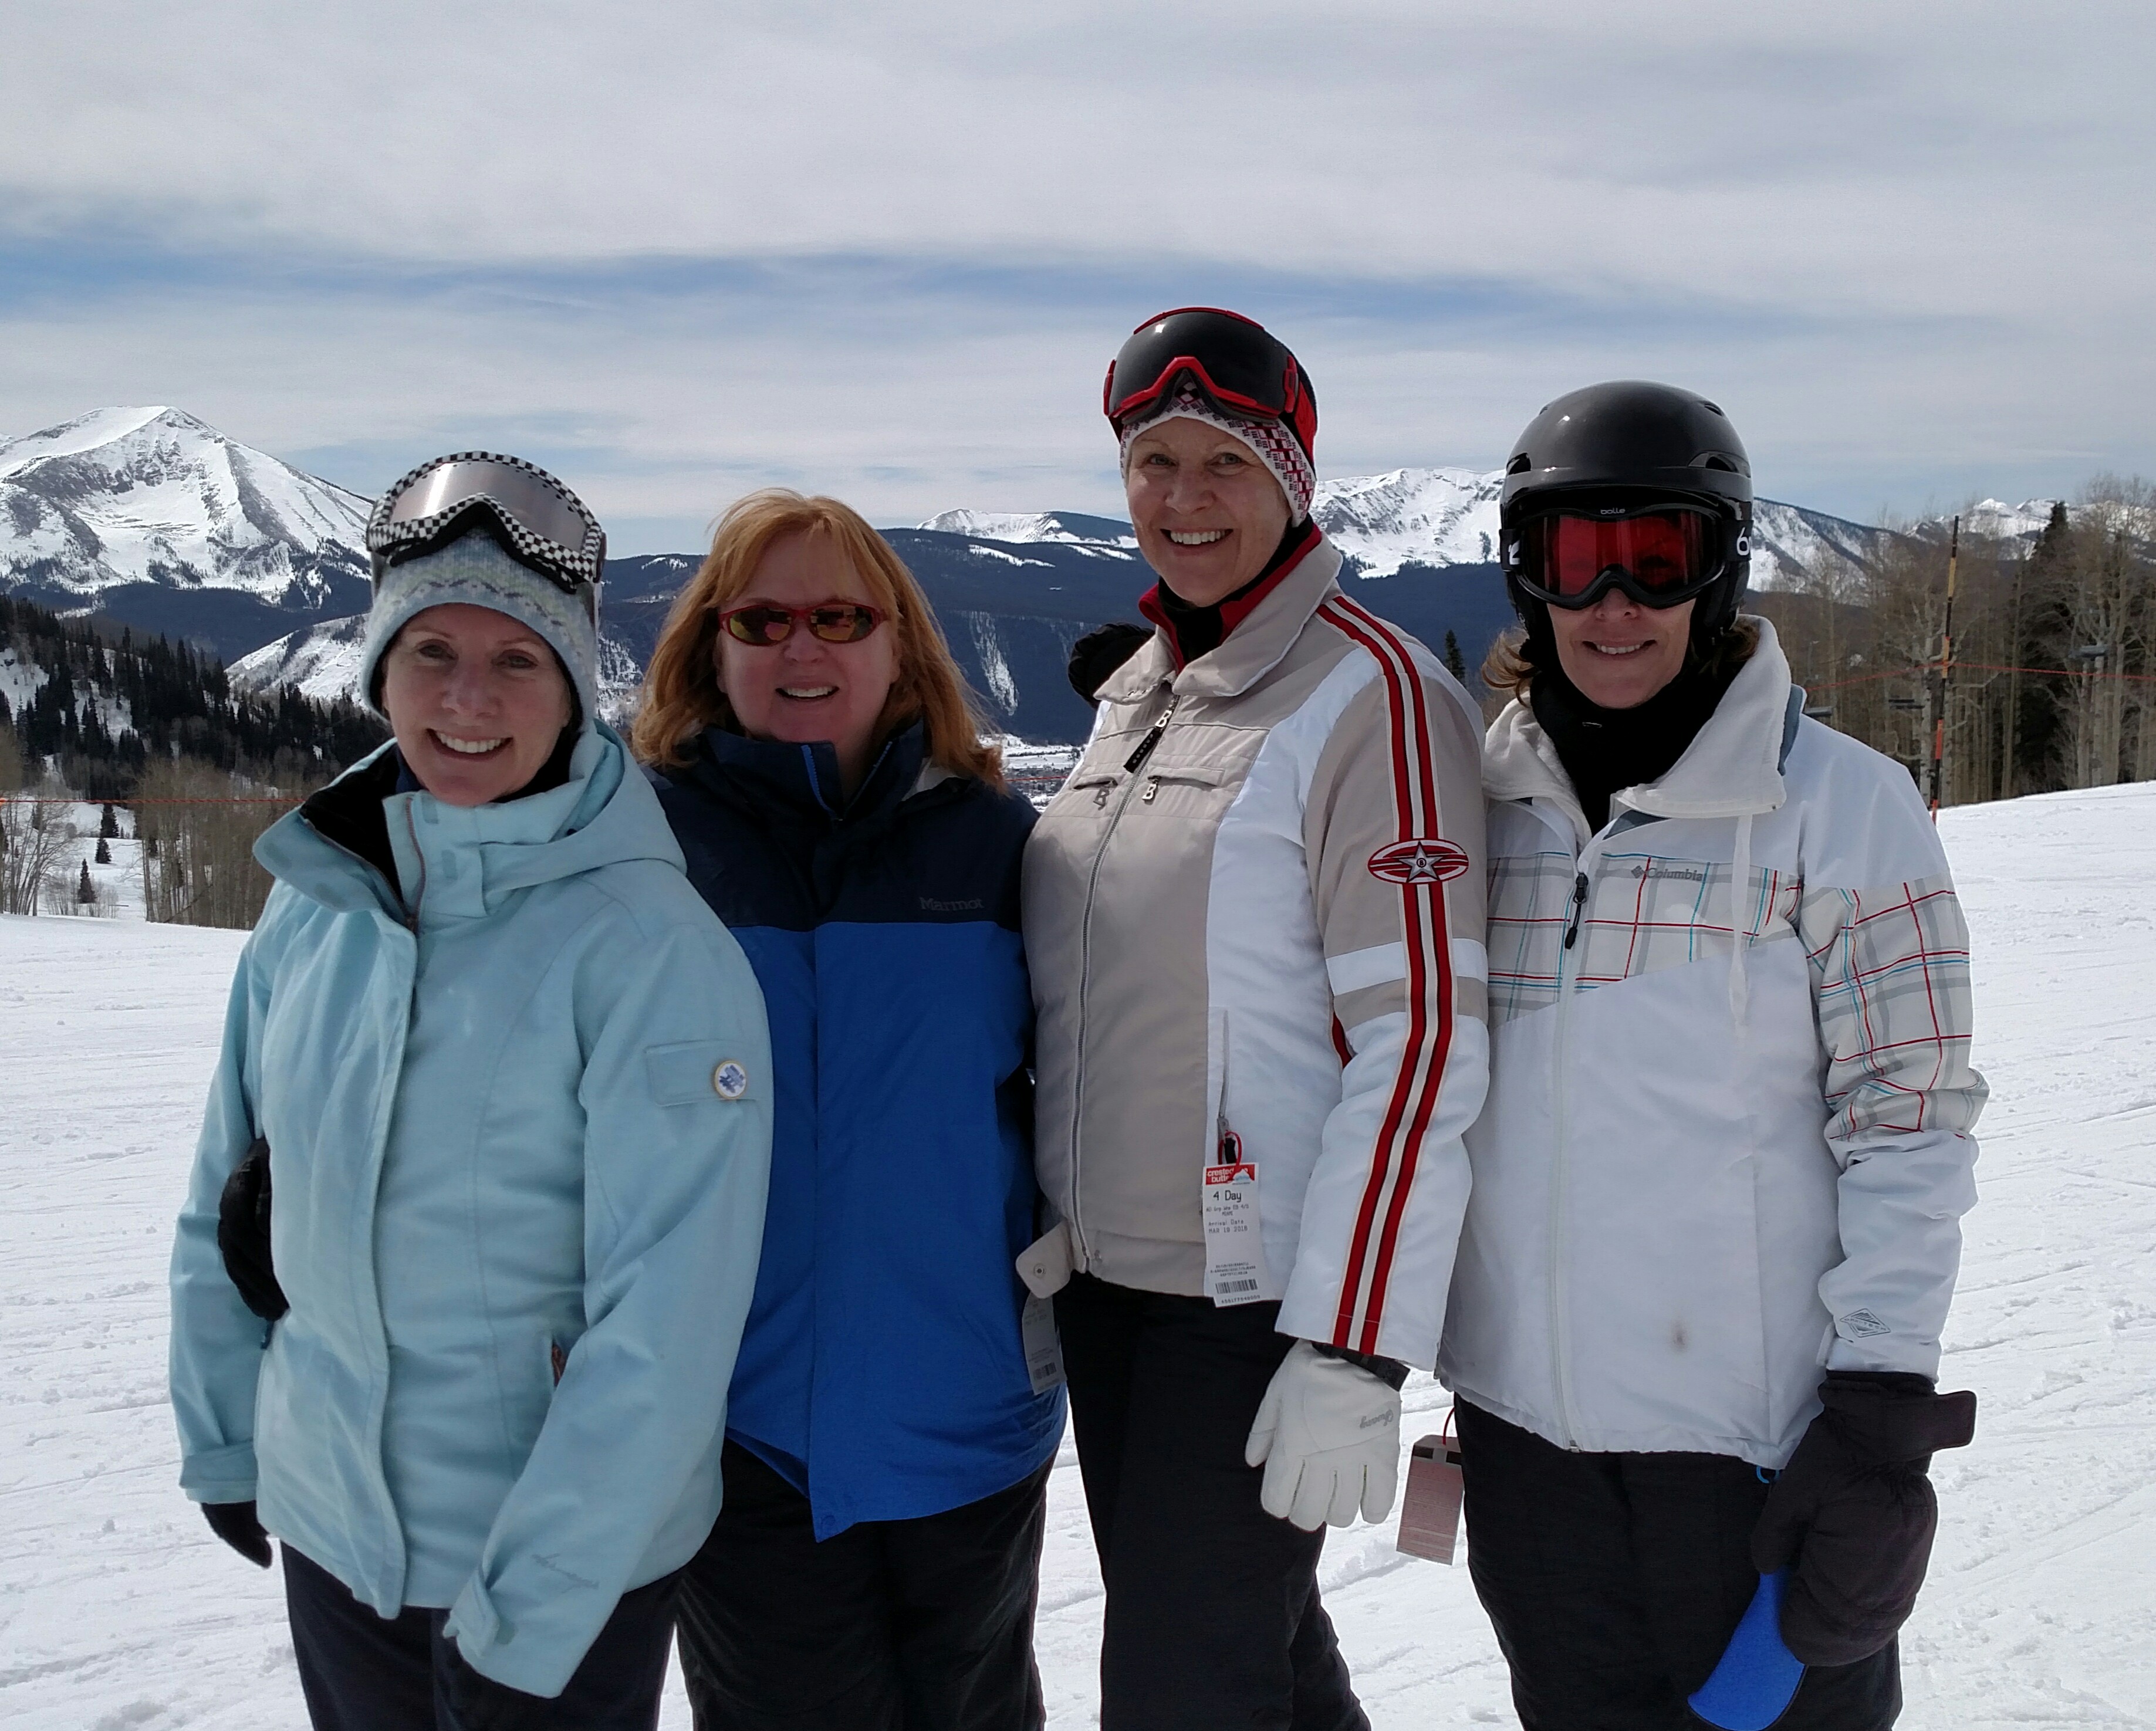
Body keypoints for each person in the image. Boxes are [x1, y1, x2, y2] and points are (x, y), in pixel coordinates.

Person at [167, 453, 773, 1730]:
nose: (467, 697)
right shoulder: (320, 899)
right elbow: (229, 1190)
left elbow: (667, 1320)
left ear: (574, 690)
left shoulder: (651, 950)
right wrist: (226, 1434)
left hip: (549, 1563)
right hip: (335, 1534)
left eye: (517, 660)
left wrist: (537, 1605)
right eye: (430, 651)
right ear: (378, 670)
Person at [1441, 381, 1985, 1730]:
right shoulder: (1475, 813)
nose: (1613, 601)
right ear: (1525, 575)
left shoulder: (1839, 806)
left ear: (1719, 568)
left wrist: (1880, 1403)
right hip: (1526, 1459)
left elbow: (1908, 1116)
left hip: (1748, 1466)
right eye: (1575, 557)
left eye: (1657, 554)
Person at [1021, 308, 1489, 1730]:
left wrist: (1353, 1339)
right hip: (1106, 1283)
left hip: (1248, 1309)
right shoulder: (1143, 691)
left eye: (1224, 460)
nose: (1184, 497)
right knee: (1257, 1666)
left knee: (1183, 1689)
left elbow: (1422, 1042)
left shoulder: (1373, 696)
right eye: (1152, 462)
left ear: (1291, 476)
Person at [633, 491, 1063, 1730]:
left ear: (900, 642)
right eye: (760, 619)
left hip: (968, 1410)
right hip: (739, 1423)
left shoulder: (994, 843)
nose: (801, 646)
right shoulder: (642, 850)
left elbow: (1097, 1081)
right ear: (711, 647)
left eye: (838, 616)